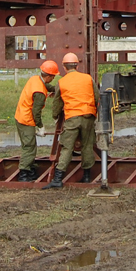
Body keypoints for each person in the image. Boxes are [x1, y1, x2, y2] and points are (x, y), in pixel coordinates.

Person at [46, 53, 97, 189]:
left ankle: (57, 179)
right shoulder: (88, 78)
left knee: (67, 147)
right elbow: (96, 97)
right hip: (88, 116)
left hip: (72, 118)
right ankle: (86, 177)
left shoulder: (61, 82)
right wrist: (94, 114)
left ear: (64, 67)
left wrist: (55, 116)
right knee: (87, 145)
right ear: (77, 65)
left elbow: (57, 103)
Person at [13, 60, 58, 182]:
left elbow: (48, 86)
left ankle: (30, 170)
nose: (53, 79)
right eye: (53, 77)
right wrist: (40, 126)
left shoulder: (35, 79)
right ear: (48, 76)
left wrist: (60, 88)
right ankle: (24, 173)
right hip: (26, 119)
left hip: (20, 116)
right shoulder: (39, 93)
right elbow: (36, 113)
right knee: (29, 147)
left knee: (30, 145)